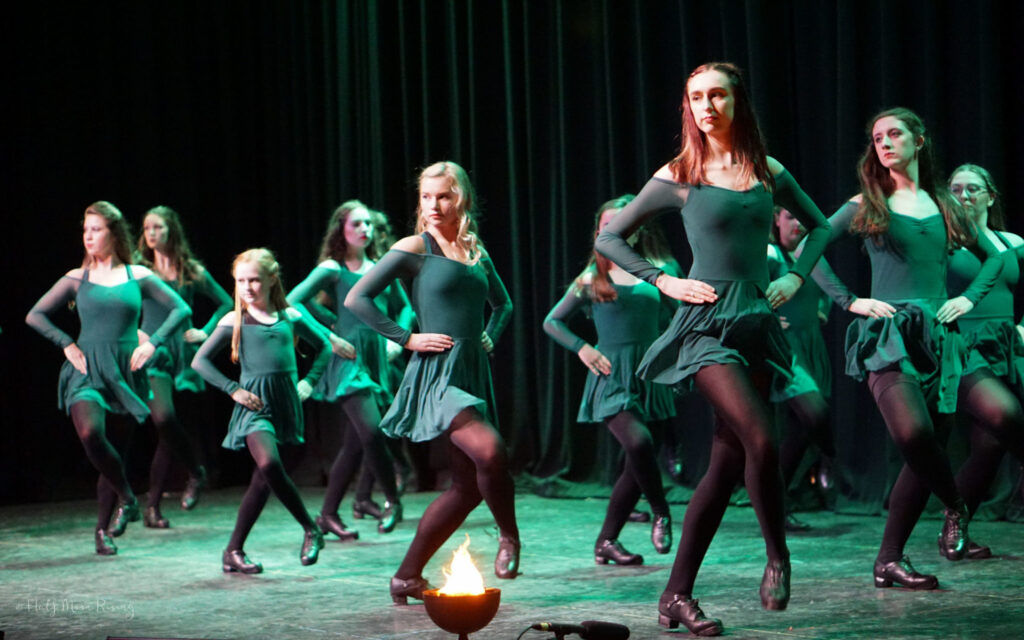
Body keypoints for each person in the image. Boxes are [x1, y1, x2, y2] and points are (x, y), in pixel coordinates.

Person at [595, 62, 831, 635]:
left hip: (754, 323)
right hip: (703, 326)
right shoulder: (680, 173)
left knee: (724, 467)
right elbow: (609, 236)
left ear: (735, 102)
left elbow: (821, 227)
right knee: (760, 437)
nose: (706, 106)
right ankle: (778, 557)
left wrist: (796, 276)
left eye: (716, 95)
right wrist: (663, 280)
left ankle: (675, 595)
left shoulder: (766, 170)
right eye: (696, 97)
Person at [810, 108, 1002, 591]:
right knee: (915, 437)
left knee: (992, 419)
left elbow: (997, 257)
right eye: (877, 137)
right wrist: (850, 301)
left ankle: (888, 560)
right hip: (890, 336)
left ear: (920, 140)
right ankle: (957, 505)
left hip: (942, 339)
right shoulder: (866, 203)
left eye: (895, 134)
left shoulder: (944, 204)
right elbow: (807, 249)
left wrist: (966, 298)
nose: (885, 143)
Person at [346, 161, 520, 603]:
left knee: (465, 491)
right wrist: (407, 338)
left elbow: (503, 305)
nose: (433, 205)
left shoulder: (475, 249)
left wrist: (488, 336)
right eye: (426, 196)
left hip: (470, 370)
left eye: (443, 196)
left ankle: (406, 576)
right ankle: (509, 536)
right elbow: (357, 298)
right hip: (437, 375)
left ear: (459, 197)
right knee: (491, 450)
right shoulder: (414, 247)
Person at [26, 201, 191, 555]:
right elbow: (35, 315)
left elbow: (182, 309)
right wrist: (66, 343)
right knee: (91, 434)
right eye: (85, 229)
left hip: (126, 371)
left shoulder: (137, 276)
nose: (88, 236)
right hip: (85, 369)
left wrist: (153, 343)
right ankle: (129, 497)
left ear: (113, 233)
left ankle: (102, 532)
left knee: (115, 449)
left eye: (96, 229)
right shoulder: (77, 278)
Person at [544, 195, 677, 566]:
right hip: (610, 376)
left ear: (636, 230)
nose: (614, 230)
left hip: (653, 376)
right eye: (606, 225)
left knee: (636, 466)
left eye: (622, 223)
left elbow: (679, 317)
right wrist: (582, 347)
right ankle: (661, 511)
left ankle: (606, 541)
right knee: (639, 443)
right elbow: (552, 321)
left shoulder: (660, 269)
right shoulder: (592, 277)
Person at [191, 248, 329, 573]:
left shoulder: (289, 317)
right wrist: (233, 389)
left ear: (271, 279)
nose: (248, 287)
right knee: (268, 463)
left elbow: (324, 346)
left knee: (263, 481)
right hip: (255, 408)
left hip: (287, 407)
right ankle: (311, 528)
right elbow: (200, 361)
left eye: (254, 279)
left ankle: (232, 551)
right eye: (241, 281)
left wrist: (310, 381)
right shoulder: (234, 320)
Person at [286, 200, 411, 539]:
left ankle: (327, 514)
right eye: (356, 224)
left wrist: (397, 340)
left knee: (356, 444)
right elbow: (293, 301)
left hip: (377, 359)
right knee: (372, 433)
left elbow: (405, 310)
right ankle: (393, 500)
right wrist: (328, 334)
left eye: (368, 224)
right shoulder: (332, 269)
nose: (364, 229)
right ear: (341, 230)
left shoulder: (382, 266)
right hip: (349, 359)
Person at [132, 205, 232, 527]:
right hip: (155, 354)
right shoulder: (139, 270)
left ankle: (153, 508)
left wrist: (205, 330)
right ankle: (196, 471)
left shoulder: (191, 270)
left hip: (184, 356)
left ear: (171, 231)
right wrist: (136, 331)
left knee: (167, 434)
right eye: (147, 228)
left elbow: (228, 303)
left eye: (158, 227)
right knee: (164, 418)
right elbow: (123, 306)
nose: (151, 233)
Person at [946, 163, 1024, 558]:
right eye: (956, 189)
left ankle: (955, 527)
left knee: (990, 446)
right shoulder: (943, 242)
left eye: (973, 189)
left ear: (990, 196)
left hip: (1006, 349)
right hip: (963, 347)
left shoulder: (1013, 243)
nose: (964, 196)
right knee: (1006, 414)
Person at [767, 207, 837, 530]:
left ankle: (777, 506)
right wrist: (766, 318)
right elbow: (749, 290)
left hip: (812, 345)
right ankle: (830, 459)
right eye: (790, 217)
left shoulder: (810, 254)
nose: (796, 224)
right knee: (815, 413)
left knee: (801, 430)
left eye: (801, 219)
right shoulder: (769, 255)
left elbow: (828, 289)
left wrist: (822, 309)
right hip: (787, 348)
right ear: (777, 221)